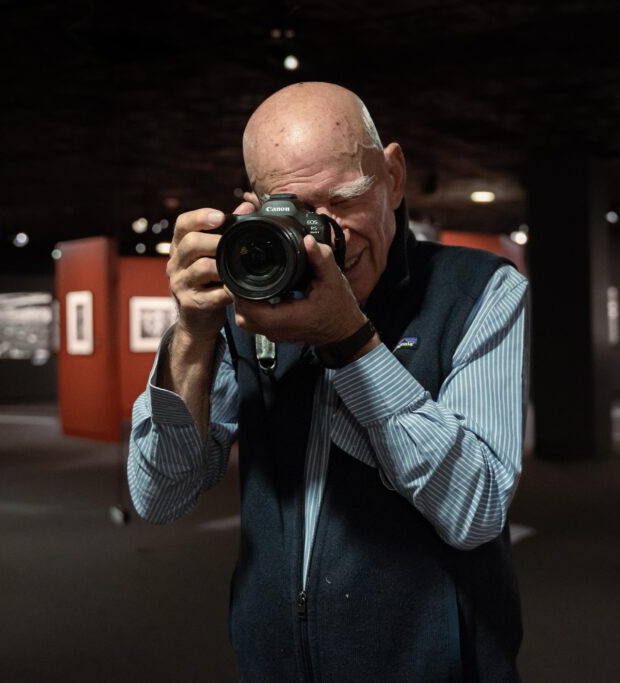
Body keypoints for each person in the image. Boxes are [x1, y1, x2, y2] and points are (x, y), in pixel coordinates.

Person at [129, 82, 529, 682]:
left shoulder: (480, 291)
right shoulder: (252, 298)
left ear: (392, 176)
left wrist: (349, 342)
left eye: (343, 200)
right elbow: (160, 494)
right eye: (298, 211)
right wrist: (193, 331)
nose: (327, 235)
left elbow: (475, 508)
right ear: (257, 208)